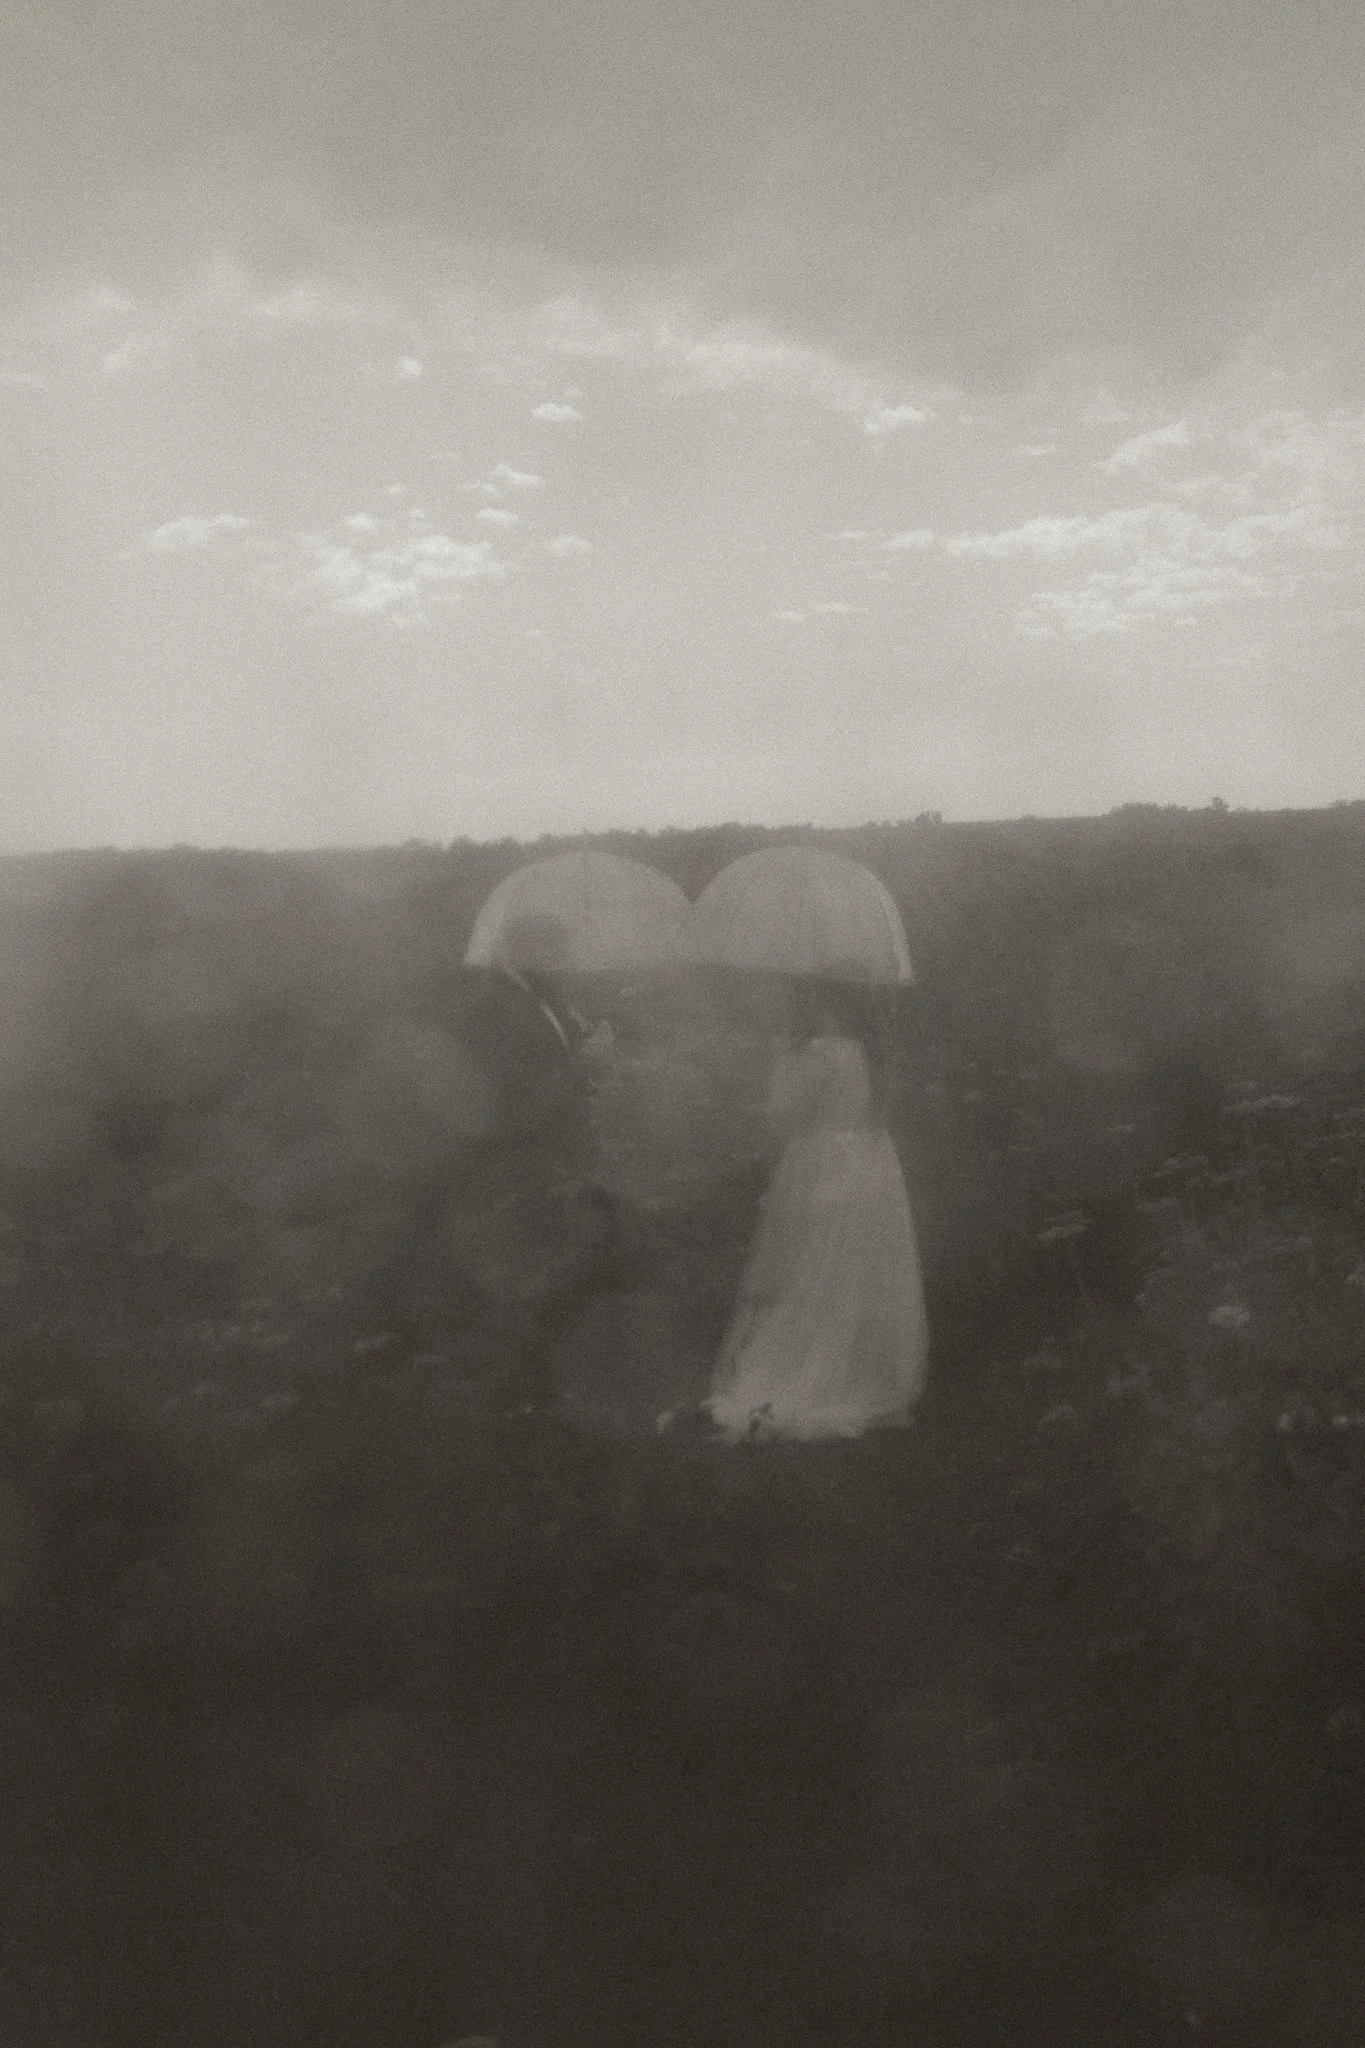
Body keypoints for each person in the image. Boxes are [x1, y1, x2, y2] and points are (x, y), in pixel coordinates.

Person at [701, 979, 929, 1443]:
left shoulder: (820, 1052)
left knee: (803, 1274)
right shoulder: (868, 1053)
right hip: (868, 1167)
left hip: (820, 1169)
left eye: (808, 995)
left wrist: (781, 1063)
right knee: (848, 1275)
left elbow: (778, 1118)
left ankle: (802, 1374)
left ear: (823, 1000)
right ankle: (852, 1369)